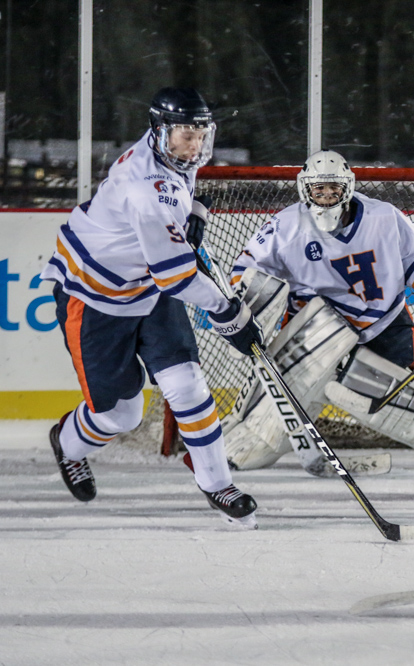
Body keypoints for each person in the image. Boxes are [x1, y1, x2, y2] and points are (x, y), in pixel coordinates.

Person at [39, 87, 262, 529]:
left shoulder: (167, 152)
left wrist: (194, 210)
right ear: (161, 131)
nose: (194, 146)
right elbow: (178, 278)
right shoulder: (145, 188)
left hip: (146, 285)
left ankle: (216, 482)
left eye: (201, 135)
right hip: (94, 298)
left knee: (188, 385)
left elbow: (181, 190)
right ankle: (68, 444)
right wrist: (229, 313)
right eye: (185, 135)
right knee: (122, 415)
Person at [223, 149, 414, 475]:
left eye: (334, 189)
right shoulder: (285, 225)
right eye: (319, 189)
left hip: (382, 320)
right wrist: (242, 310)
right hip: (315, 328)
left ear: (348, 187)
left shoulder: (384, 216)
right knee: (282, 412)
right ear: (305, 189)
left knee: (399, 403)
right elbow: (247, 270)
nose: (327, 195)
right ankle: (235, 450)